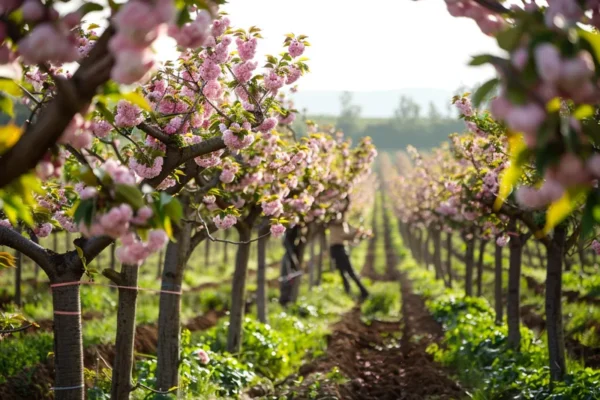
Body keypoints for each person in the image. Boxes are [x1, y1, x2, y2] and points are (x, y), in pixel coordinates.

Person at [329, 212, 370, 301]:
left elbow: (347, 236)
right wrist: (357, 232)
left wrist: (357, 233)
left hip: (335, 250)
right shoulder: (339, 224)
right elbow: (346, 236)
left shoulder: (332, 224)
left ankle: (352, 292)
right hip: (339, 249)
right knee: (349, 271)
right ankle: (362, 292)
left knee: (344, 272)